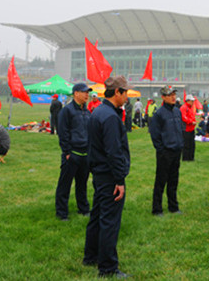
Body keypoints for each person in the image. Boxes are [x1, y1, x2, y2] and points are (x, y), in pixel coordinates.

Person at [83, 76, 132, 278]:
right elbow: (114, 151)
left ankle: (91, 255)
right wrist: (119, 180)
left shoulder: (98, 112)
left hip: (100, 173)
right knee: (109, 221)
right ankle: (108, 267)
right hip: (109, 175)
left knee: (97, 216)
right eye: (125, 92)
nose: (127, 96)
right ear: (117, 92)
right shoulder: (110, 117)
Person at [55, 83, 91, 220]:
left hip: (85, 153)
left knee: (82, 184)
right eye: (84, 92)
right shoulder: (67, 111)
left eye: (88, 92)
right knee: (65, 184)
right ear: (76, 93)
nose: (87, 95)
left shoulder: (87, 112)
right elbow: (63, 132)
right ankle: (61, 212)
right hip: (72, 153)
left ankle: (83, 208)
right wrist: (67, 152)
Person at [148, 86, 184, 216]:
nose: (173, 97)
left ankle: (173, 207)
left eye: (174, 94)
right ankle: (157, 209)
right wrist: (161, 149)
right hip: (165, 152)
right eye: (169, 95)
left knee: (173, 180)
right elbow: (155, 134)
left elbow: (180, 128)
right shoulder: (159, 114)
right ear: (163, 97)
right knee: (161, 181)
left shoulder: (177, 111)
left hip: (176, 151)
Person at [180, 95, 197, 161]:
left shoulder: (190, 108)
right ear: (188, 101)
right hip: (186, 129)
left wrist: (194, 121)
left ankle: (191, 158)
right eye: (192, 101)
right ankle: (186, 158)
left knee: (192, 144)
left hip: (191, 129)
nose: (193, 102)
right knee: (186, 145)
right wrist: (191, 122)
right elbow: (184, 117)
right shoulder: (184, 107)